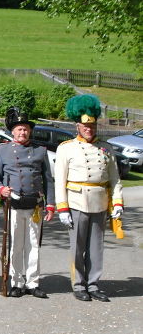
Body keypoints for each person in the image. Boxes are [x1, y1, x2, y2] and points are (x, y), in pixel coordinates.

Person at [54, 94, 123, 302]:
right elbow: (60, 181)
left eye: (92, 126)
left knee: (96, 247)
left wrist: (118, 203)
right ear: (78, 126)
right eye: (85, 126)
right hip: (76, 202)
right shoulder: (66, 148)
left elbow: (115, 179)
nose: (89, 130)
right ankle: (78, 284)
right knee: (77, 247)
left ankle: (93, 284)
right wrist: (62, 208)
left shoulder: (106, 148)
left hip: (100, 202)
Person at [0, 106, 55, 299]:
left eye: (26, 129)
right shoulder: (2, 150)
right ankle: (16, 282)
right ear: (12, 131)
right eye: (19, 129)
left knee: (33, 245)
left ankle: (33, 282)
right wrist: (1, 189)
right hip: (14, 205)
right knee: (16, 245)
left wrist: (50, 204)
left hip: (35, 205)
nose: (23, 132)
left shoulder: (40, 150)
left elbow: (48, 179)